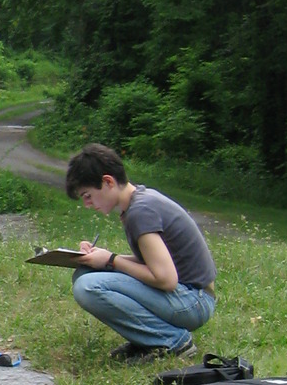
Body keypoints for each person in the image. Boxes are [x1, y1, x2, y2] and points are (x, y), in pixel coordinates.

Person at [64, 143, 217, 361]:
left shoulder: (140, 212)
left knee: (87, 286)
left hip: (194, 301)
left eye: (88, 195)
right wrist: (102, 259)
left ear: (108, 182)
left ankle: (174, 341)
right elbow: (155, 262)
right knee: (84, 274)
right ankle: (147, 340)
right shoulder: (140, 201)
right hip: (190, 296)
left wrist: (112, 260)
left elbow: (166, 279)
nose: (88, 204)